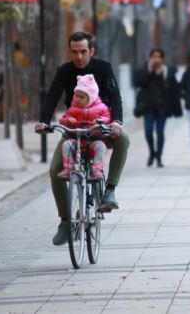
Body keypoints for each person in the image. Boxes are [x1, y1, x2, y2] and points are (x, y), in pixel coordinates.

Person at [35, 32, 129, 246]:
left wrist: (117, 122)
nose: (79, 56)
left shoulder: (104, 68)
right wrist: (44, 121)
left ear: (92, 51)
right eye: (74, 52)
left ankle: (109, 191)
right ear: (70, 52)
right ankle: (66, 222)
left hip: (102, 126)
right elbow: (52, 96)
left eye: (83, 52)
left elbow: (115, 96)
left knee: (123, 139)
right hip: (75, 127)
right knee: (55, 170)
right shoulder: (64, 71)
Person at [133, 48, 182, 168]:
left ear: (162, 58)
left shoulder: (167, 71)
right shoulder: (144, 70)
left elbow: (174, 89)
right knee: (148, 131)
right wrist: (149, 71)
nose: (156, 59)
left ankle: (159, 156)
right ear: (150, 58)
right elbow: (138, 83)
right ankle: (151, 152)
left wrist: (176, 107)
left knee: (160, 131)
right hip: (148, 106)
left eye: (158, 56)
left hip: (162, 107)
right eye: (154, 56)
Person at [57, 75, 111, 180]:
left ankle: (97, 170)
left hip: (93, 140)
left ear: (91, 97)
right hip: (77, 141)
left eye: (82, 97)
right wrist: (68, 120)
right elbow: (63, 119)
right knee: (66, 145)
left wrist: (100, 121)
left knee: (101, 147)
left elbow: (108, 118)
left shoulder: (101, 108)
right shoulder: (73, 109)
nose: (78, 99)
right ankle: (68, 169)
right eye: (76, 95)